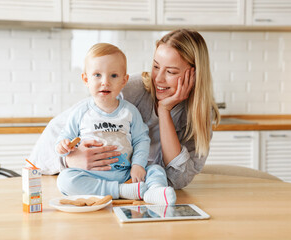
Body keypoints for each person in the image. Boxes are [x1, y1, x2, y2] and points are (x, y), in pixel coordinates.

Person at [29, 28, 220, 195]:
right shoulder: (131, 89)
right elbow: (55, 135)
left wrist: (164, 112)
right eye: (155, 67)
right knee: (67, 181)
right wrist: (70, 160)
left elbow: (178, 180)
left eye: (170, 72)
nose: (159, 79)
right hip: (100, 185)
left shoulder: (200, 115)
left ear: (194, 75)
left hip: (142, 192)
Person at [54, 43, 176, 205]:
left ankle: (154, 193)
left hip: (125, 173)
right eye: (97, 75)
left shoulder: (130, 112)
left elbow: (141, 140)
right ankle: (121, 191)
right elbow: (65, 138)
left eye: (113, 76)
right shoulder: (80, 112)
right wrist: (63, 147)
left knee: (156, 170)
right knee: (65, 180)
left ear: (124, 80)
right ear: (86, 79)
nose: (105, 82)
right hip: (91, 174)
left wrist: (138, 165)